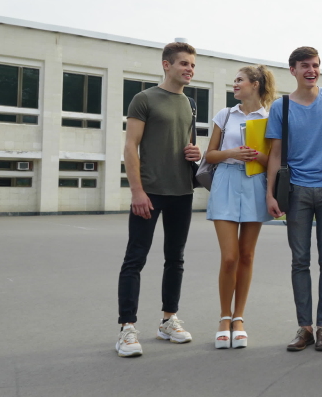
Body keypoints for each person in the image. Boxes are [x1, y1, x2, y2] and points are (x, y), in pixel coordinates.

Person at [115, 42, 202, 357]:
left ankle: (168, 320)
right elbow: (130, 146)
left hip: (182, 191)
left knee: (175, 259)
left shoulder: (191, 104)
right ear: (167, 65)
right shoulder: (144, 99)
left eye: (192, 65)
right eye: (183, 64)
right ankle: (126, 328)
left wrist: (196, 152)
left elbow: (186, 146)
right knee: (135, 259)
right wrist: (137, 190)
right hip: (149, 193)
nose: (189, 69)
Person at [266, 46, 322, 352]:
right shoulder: (282, 106)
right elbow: (275, 153)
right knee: (300, 260)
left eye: (315, 65)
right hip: (296, 191)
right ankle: (304, 327)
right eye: (305, 66)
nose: (311, 70)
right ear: (293, 70)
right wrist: (270, 194)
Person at [204, 65, 277, 349]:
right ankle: (223, 317)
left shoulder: (270, 117)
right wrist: (232, 153)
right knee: (230, 257)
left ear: (255, 84)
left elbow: (273, 159)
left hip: (254, 183)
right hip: (225, 182)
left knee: (246, 255)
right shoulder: (225, 115)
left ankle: (239, 319)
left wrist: (257, 155)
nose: (235, 85)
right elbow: (209, 154)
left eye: (239, 81)